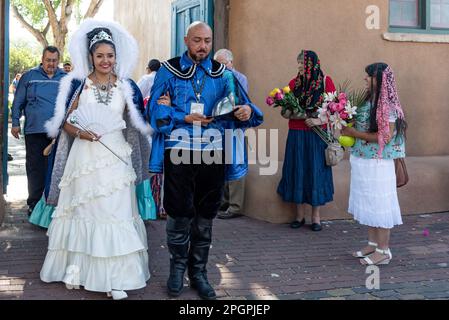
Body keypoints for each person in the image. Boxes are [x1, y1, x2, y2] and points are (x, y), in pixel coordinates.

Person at [148, 21, 263, 300]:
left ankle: (198, 272)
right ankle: (177, 269)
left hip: (214, 150)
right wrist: (182, 117)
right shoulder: (168, 70)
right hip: (179, 149)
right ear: (187, 40)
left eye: (207, 41)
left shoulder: (224, 75)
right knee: (178, 210)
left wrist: (247, 110)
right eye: (197, 40)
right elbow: (154, 111)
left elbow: (246, 105)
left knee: (205, 213)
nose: (202, 46)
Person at [39, 20, 154, 300]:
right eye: (100, 55)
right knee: (85, 212)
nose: (106, 60)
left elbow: (136, 123)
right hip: (84, 158)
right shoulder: (78, 84)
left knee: (115, 212)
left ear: (117, 57)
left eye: (110, 56)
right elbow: (65, 122)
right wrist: (81, 132)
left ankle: (115, 278)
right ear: (91, 57)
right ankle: (78, 271)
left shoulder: (126, 86)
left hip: (116, 159)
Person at [341, 63, 406, 266]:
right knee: (368, 201)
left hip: (378, 162)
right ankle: (371, 244)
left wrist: (354, 134)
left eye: (368, 77)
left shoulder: (388, 106)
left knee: (380, 204)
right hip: (362, 158)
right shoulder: (367, 100)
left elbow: (384, 137)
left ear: (378, 79)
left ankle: (384, 251)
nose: (365, 80)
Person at [277, 50, 336, 232]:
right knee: (298, 170)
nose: (300, 67)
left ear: (312, 64)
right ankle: (299, 215)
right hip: (297, 133)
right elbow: (286, 110)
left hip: (317, 135)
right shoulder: (294, 84)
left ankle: (316, 217)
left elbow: (335, 110)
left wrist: (318, 120)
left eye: (303, 64)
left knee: (315, 172)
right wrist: (292, 110)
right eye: (299, 64)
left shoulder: (326, 82)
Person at [11, 46, 66, 215]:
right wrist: (15, 122)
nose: (51, 64)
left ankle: (54, 203)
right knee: (35, 168)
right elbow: (18, 101)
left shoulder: (65, 78)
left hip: (59, 132)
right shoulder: (29, 77)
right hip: (34, 130)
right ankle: (34, 204)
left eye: (54, 60)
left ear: (58, 60)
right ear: (42, 59)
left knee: (57, 168)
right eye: (48, 60)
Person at [214, 48, 248, 219]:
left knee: (236, 164)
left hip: (235, 127)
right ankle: (224, 201)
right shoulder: (215, 78)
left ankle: (235, 206)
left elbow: (241, 102)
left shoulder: (240, 78)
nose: (219, 67)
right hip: (219, 128)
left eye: (222, 64)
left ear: (231, 63)